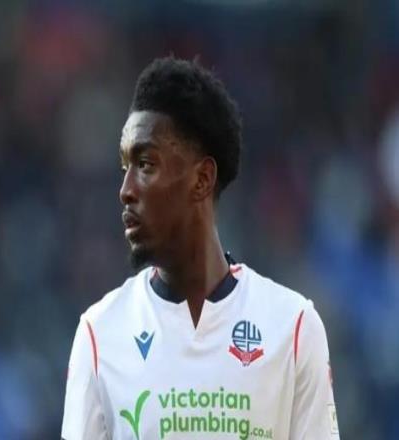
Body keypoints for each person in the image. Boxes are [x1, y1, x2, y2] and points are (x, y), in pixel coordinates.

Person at [61, 57, 340, 440]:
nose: (126, 190)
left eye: (145, 164)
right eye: (125, 167)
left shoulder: (293, 327)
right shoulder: (100, 334)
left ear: (202, 179)